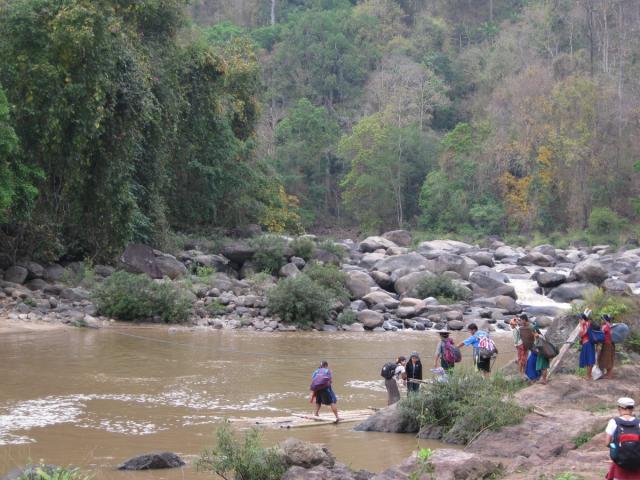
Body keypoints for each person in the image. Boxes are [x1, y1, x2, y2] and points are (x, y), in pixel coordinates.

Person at [605, 397, 640, 480]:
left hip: (620, 463)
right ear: (632, 409)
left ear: (620, 408)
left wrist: (619, 448)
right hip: (637, 462)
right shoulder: (639, 423)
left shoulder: (613, 422)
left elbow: (607, 443)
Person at [579, 313, 596, 381]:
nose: (579, 320)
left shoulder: (585, 324)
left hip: (587, 343)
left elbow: (581, 333)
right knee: (590, 359)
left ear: (582, 319)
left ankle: (588, 376)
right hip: (591, 343)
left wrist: (581, 325)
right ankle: (589, 375)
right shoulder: (589, 323)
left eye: (580, 319)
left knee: (589, 359)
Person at [599, 314, 616, 380]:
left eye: (602, 319)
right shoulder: (610, 325)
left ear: (604, 319)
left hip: (607, 344)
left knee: (607, 359)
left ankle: (609, 375)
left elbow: (601, 334)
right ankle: (608, 374)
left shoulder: (605, 326)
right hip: (611, 344)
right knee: (609, 358)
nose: (601, 320)